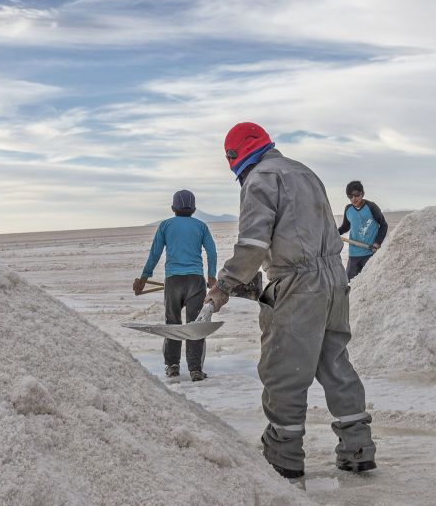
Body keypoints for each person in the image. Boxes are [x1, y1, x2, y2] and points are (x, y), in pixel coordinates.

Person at [204, 122, 376, 481]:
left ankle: (284, 455)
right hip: (334, 278)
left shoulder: (260, 179)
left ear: (235, 157)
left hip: (299, 284)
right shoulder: (305, 171)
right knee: (335, 362)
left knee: (284, 368)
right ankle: (357, 448)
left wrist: (224, 285)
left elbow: (253, 244)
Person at [133, 189, 217, 382]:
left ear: (173, 208)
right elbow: (211, 252)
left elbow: (154, 254)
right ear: (194, 208)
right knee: (195, 325)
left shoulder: (165, 225)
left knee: (173, 323)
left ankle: (172, 367)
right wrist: (211, 277)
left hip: (173, 281)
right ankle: (195, 369)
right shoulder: (201, 226)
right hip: (196, 281)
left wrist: (144, 278)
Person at [338, 181, 387, 281]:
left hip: (370, 253)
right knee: (350, 283)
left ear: (362, 193)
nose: (354, 199)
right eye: (350, 196)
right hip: (354, 254)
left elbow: (383, 225)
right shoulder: (348, 209)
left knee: (370, 281)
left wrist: (377, 243)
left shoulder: (371, 206)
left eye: (356, 195)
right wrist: (333, 233)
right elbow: (345, 227)